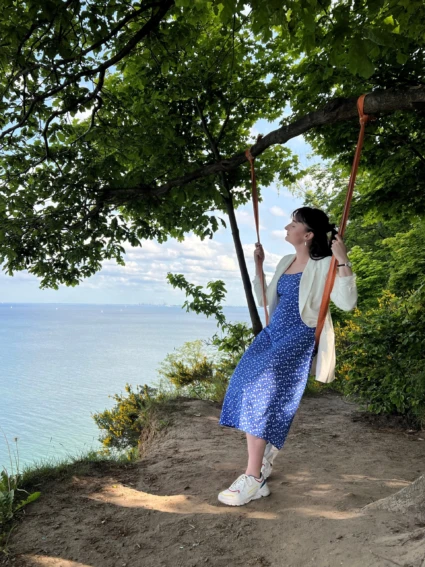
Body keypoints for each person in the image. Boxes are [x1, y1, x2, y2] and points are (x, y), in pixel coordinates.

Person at [217, 206, 358, 506]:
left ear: (308, 235)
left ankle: (253, 477)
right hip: (272, 335)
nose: (287, 227)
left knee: (260, 394)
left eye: (294, 224)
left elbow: (347, 303)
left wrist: (343, 260)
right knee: (242, 385)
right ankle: (258, 472)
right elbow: (265, 300)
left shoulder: (326, 264)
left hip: (298, 336)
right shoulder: (285, 261)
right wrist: (259, 266)